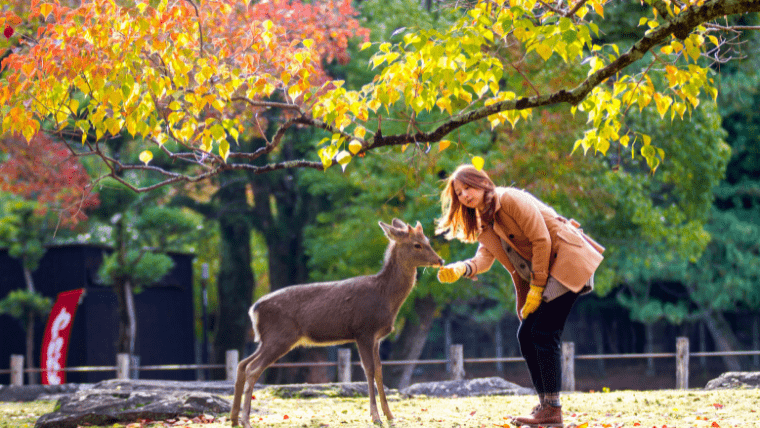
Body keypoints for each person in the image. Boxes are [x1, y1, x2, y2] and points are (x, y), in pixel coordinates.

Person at [435, 164, 605, 428]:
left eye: (467, 187)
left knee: (543, 333)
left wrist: (536, 288)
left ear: (481, 182)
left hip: (566, 260)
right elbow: (485, 256)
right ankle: (546, 406)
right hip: (546, 271)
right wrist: (463, 268)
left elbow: (542, 240)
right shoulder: (484, 220)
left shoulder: (509, 199)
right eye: (458, 193)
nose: (464, 195)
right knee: (526, 335)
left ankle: (552, 409)